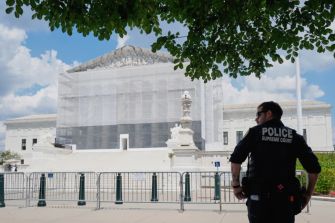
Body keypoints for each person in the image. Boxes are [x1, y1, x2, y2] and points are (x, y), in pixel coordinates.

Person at [229, 101, 321, 223]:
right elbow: (314, 169)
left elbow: (236, 160)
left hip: (259, 201)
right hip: (285, 202)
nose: (256, 119)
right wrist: (308, 195)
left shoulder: (255, 133)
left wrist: (236, 186)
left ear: (269, 113)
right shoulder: (294, 136)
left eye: (258, 114)